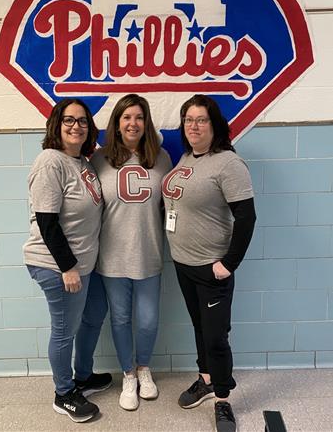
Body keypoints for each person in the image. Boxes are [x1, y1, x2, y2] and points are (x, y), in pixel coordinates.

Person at [161, 94, 256, 432]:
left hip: (210, 267)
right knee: (200, 328)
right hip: (183, 262)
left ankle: (223, 399)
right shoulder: (188, 157)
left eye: (202, 120)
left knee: (216, 336)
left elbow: (246, 218)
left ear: (215, 125)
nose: (194, 126)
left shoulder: (228, 164)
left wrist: (229, 263)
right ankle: (205, 379)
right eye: (189, 120)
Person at [23, 98, 112, 423]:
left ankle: (83, 376)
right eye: (69, 120)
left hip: (83, 265)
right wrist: (68, 267)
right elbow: (47, 222)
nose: (76, 126)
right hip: (56, 265)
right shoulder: (50, 162)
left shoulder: (83, 163)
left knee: (94, 315)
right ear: (56, 126)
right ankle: (63, 393)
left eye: (83, 121)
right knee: (64, 330)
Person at [90, 94, 172, 411]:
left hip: (149, 253)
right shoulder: (100, 159)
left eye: (138, 117)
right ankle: (127, 374)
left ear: (146, 122)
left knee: (149, 321)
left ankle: (143, 368)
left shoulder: (161, 158)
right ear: (117, 123)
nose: (132, 123)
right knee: (121, 319)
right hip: (111, 257)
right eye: (126, 117)